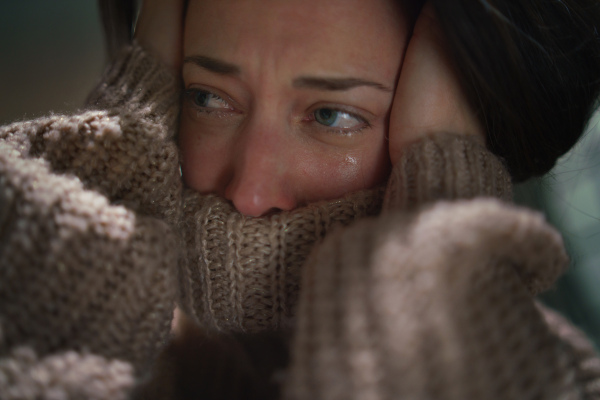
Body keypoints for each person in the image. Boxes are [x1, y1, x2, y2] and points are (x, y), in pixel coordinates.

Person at [1, 0, 600, 399]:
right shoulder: (128, 352)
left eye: (332, 114)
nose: (249, 191)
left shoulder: (556, 382)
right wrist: (126, 133)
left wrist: (437, 210)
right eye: (207, 97)